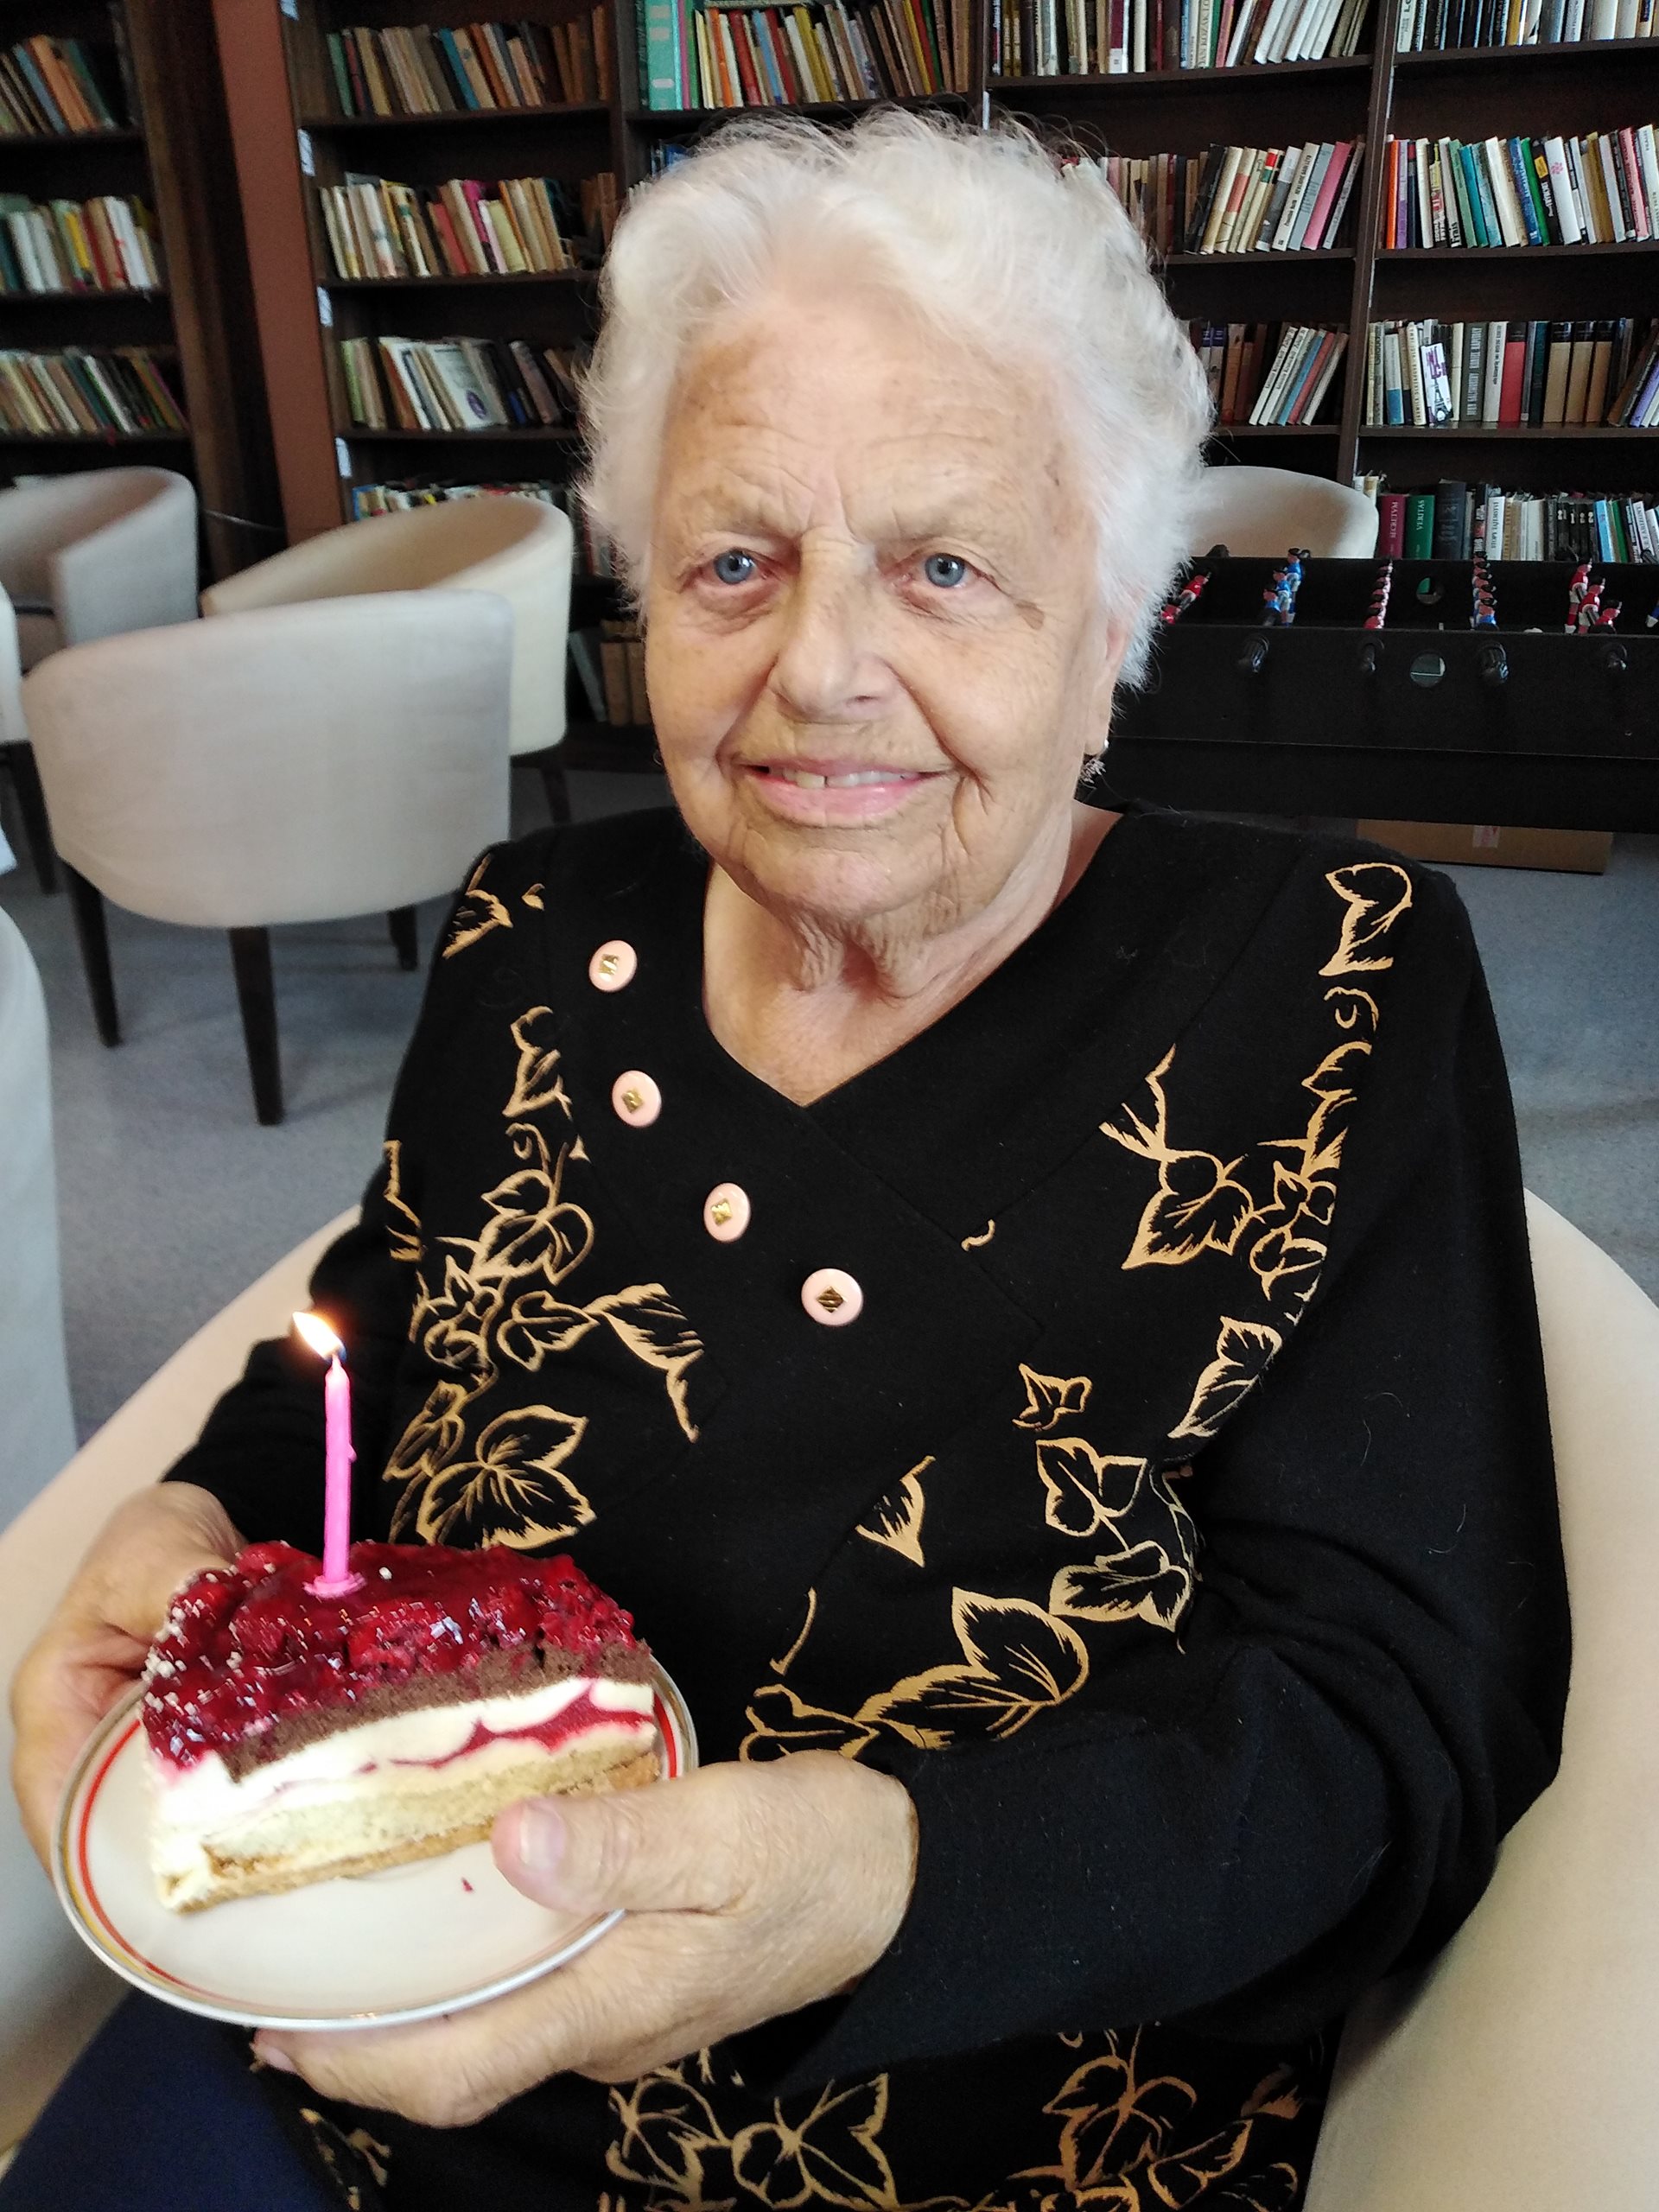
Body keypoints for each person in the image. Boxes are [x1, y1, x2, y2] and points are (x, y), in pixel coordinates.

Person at [9, 111, 1567, 2210]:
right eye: (734, 561)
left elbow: (1403, 1722)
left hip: (972, 2124)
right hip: (341, 2008)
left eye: (945, 567)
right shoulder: (531, 935)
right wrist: (205, 1500)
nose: (819, 669)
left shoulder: (1330, 988)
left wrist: (890, 1878)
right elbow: (381, 1338)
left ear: (1113, 618)